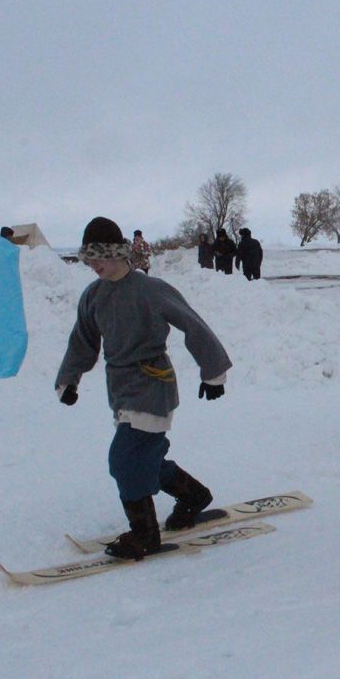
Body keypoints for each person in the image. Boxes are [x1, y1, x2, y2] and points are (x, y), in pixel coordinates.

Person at [55, 216, 232, 560]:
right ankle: (194, 496)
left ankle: (145, 534)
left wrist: (213, 373)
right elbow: (83, 341)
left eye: (99, 258)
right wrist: (69, 379)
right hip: (120, 389)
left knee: (124, 460)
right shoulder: (93, 296)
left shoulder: (151, 289)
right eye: (89, 260)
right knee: (144, 457)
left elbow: (192, 324)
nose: (94, 266)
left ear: (118, 254)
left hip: (153, 385)